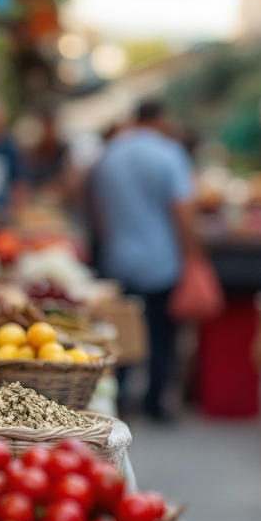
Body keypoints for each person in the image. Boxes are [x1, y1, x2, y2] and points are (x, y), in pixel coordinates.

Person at [90, 101, 199, 421]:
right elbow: (183, 211)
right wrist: (193, 250)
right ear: (161, 118)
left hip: (119, 257)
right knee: (162, 334)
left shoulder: (110, 155)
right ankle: (155, 400)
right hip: (162, 259)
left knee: (121, 330)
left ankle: (119, 395)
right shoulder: (170, 153)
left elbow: (98, 211)